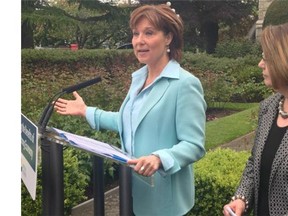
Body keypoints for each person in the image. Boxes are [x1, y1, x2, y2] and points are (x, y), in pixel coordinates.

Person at [54, 2, 206, 216]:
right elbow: (129, 121)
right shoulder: (139, 78)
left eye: (149, 33)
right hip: (132, 192)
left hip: (163, 203)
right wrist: (86, 111)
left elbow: (194, 144)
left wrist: (159, 158)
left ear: (168, 38)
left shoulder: (185, 84)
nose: (139, 41)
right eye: (136, 34)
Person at [223, 22, 288, 216]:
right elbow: (254, 163)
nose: (260, 64)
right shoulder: (269, 107)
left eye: (266, 58)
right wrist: (241, 199)